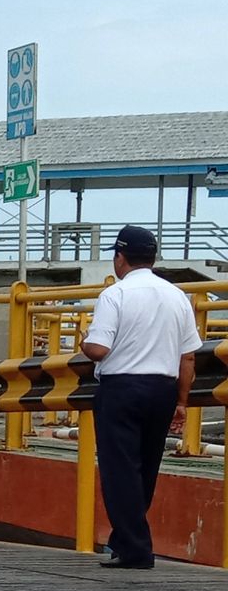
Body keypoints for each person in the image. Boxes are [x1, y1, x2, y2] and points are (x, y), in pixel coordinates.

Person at [80, 226, 201, 570]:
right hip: (162, 389)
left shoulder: (115, 295)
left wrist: (83, 343)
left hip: (121, 389)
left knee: (121, 471)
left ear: (120, 257)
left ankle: (136, 550)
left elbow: (100, 349)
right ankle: (125, 542)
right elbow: (188, 356)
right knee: (146, 470)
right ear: (152, 257)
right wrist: (181, 401)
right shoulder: (178, 296)